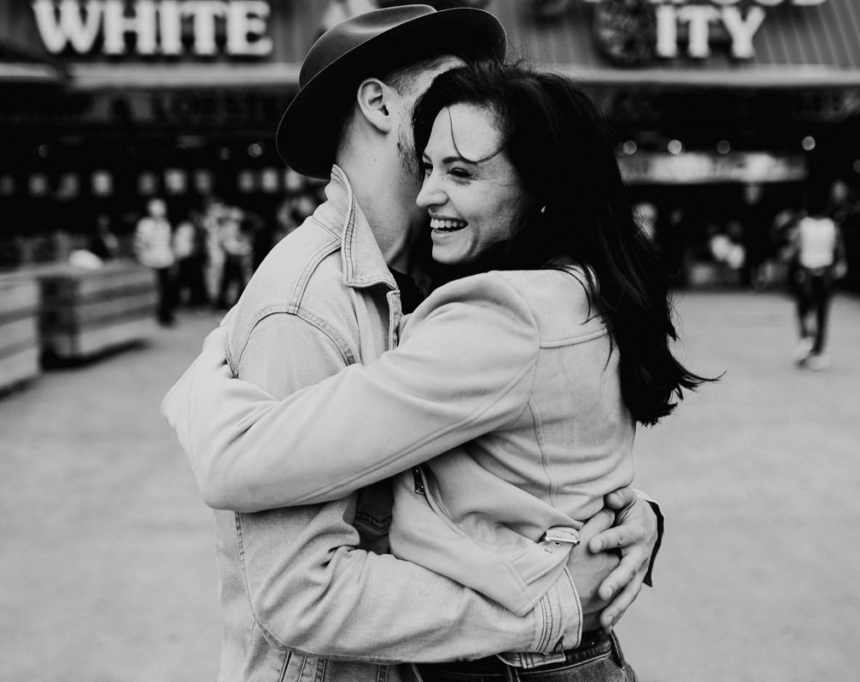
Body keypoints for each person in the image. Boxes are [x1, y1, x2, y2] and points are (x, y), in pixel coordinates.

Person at [163, 7, 663, 682]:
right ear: (377, 104)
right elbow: (300, 592)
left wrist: (627, 517)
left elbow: (523, 456)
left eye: (462, 168)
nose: (474, 100)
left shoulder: (451, 276)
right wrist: (548, 604)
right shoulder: (308, 302)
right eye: (448, 89)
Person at [787, 188, 848, 370]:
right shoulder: (833, 226)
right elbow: (840, 252)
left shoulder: (802, 225)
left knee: (803, 309)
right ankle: (818, 351)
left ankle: (806, 340)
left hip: (806, 272)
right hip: (826, 272)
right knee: (822, 312)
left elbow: (795, 250)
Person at [134, 197, 178, 326]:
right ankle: (152, 315)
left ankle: (165, 315)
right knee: (154, 290)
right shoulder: (145, 224)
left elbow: (169, 242)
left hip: (165, 260)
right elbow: (140, 244)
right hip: (150, 262)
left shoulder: (165, 224)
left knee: (167, 289)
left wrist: (173, 258)